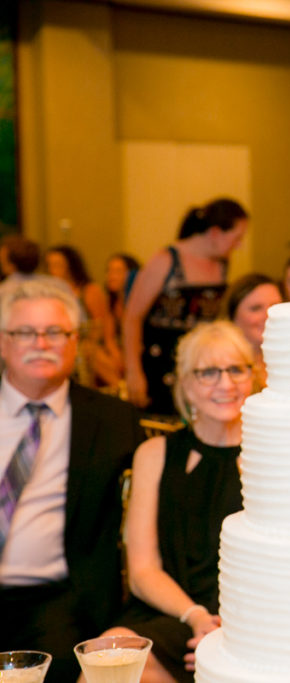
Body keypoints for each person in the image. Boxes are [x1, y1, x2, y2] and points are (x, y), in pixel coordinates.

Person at [0, 277, 144, 683]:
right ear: (3, 342)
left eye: (55, 333)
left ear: (75, 342)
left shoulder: (114, 421)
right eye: (26, 332)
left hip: (59, 603)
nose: (41, 343)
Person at [99, 320, 254, 683]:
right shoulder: (154, 453)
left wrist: (225, 630)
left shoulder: (272, 452)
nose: (226, 384)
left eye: (236, 369)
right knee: (109, 658)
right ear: (185, 383)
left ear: (253, 376)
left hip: (250, 620)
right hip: (173, 612)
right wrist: (197, 617)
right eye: (208, 373)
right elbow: (142, 571)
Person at [122, 198, 249, 415]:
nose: (238, 245)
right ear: (216, 232)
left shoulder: (221, 263)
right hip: (163, 366)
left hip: (203, 366)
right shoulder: (166, 260)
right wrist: (133, 371)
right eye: (236, 238)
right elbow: (132, 317)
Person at [45, 245, 122, 388]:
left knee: (86, 350)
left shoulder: (88, 290)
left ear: (70, 266)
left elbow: (102, 323)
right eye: (50, 265)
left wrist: (109, 346)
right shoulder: (49, 293)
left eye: (57, 265)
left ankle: (119, 387)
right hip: (61, 342)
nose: (52, 270)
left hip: (88, 342)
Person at [221, 273, 282, 387]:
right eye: (256, 308)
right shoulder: (222, 369)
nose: (268, 315)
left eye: (275, 307)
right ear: (232, 317)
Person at [105, 252, 141, 343]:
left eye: (118, 271)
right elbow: (109, 338)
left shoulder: (137, 303)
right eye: (109, 270)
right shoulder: (113, 301)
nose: (111, 275)